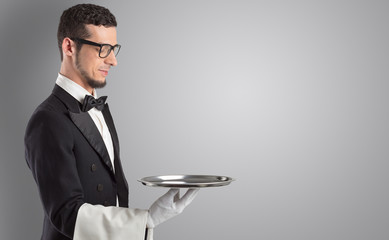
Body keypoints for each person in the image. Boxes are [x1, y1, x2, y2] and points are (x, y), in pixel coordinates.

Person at [24, 4, 199, 240]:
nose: (113, 61)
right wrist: (146, 219)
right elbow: (66, 214)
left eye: (114, 48)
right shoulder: (47, 120)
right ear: (69, 46)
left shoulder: (100, 108)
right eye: (103, 49)